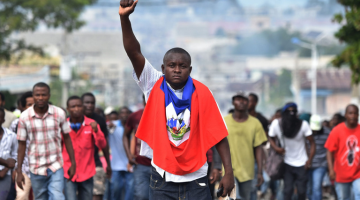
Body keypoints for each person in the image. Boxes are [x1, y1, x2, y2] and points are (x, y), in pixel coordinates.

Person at [119, 0, 235, 199]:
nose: (177, 69)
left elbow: (219, 134)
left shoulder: (204, 92)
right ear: (163, 69)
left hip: (196, 178)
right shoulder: (152, 83)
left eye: (182, 66)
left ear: (190, 69)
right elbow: (134, 52)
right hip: (162, 177)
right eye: (172, 65)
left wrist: (228, 172)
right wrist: (124, 18)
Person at [16, 82, 76, 200]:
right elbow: (22, 145)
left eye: (44, 95)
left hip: (56, 165)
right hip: (35, 167)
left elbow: (67, 138)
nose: (40, 98)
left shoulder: (59, 113)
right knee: (40, 198)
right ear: (33, 96)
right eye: (37, 95)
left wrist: (73, 163)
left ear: (49, 95)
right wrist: (19, 171)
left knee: (57, 196)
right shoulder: (24, 117)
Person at [223, 92, 267, 200]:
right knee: (234, 197)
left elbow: (259, 148)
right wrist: (216, 167)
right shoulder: (224, 121)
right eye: (238, 99)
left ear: (249, 103)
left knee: (245, 197)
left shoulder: (255, 123)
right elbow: (218, 145)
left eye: (244, 100)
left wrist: (260, 172)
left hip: (248, 170)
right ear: (233, 102)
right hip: (229, 170)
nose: (241, 102)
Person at [63, 96, 107, 200]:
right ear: (68, 109)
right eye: (73, 106)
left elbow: (102, 145)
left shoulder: (92, 124)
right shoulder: (63, 125)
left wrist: (96, 131)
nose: (76, 109)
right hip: (68, 172)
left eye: (79, 106)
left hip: (87, 172)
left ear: (83, 107)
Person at [268, 102, 315, 200]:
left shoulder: (303, 124)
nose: (291, 113)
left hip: (302, 162)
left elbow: (312, 143)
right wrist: (276, 148)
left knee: (302, 191)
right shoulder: (277, 124)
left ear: (297, 113)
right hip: (286, 162)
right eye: (288, 111)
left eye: (293, 111)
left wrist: (309, 160)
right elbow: (270, 137)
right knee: (287, 191)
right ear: (283, 112)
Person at [325, 104, 360, 200]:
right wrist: (331, 170)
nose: (353, 116)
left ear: (358, 115)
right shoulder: (337, 131)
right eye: (350, 113)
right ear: (345, 115)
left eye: (355, 113)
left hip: (358, 173)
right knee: (344, 198)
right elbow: (329, 151)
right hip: (341, 175)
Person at [81, 93, 112, 200]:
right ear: (81, 104)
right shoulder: (71, 120)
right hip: (77, 166)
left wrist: (108, 164)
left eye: (92, 103)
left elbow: (105, 144)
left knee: (97, 195)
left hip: (96, 164)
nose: (90, 105)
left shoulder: (100, 120)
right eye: (87, 102)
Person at [123, 96, 152, 200]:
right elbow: (125, 135)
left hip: (160, 165)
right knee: (141, 196)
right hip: (141, 164)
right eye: (147, 98)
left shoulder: (166, 114)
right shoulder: (135, 116)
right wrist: (129, 156)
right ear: (143, 99)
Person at [9, 91, 34, 200]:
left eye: (35, 104)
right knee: (21, 196)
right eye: (29, 105)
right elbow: (12, 147)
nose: (32, 107)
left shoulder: (46, 122)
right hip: (23, 168)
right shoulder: (16, 124)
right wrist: (15, 169)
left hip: (43, 169)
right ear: (23, 107)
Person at [107, 111, 134, 200]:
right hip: (116, 165)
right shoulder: (113, 125)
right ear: (119, 115)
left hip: (131, 164)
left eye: (127, 113)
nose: (125, 115)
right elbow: (104, 125)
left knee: (130, 190)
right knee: (116, 189)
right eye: (122, 113)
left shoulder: (134, 127)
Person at [307, 115, 330, 200]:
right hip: (307, 164)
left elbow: (329, 149)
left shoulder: (327, 133)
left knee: (316, 187)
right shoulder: (306, 132)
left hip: (321, 164)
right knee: (308, 188)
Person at [0, 108, 18, 199]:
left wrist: (6, 169)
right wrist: (6, 163)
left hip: (5, 175)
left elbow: (15, 155)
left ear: (3, 120)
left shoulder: (11, 136)